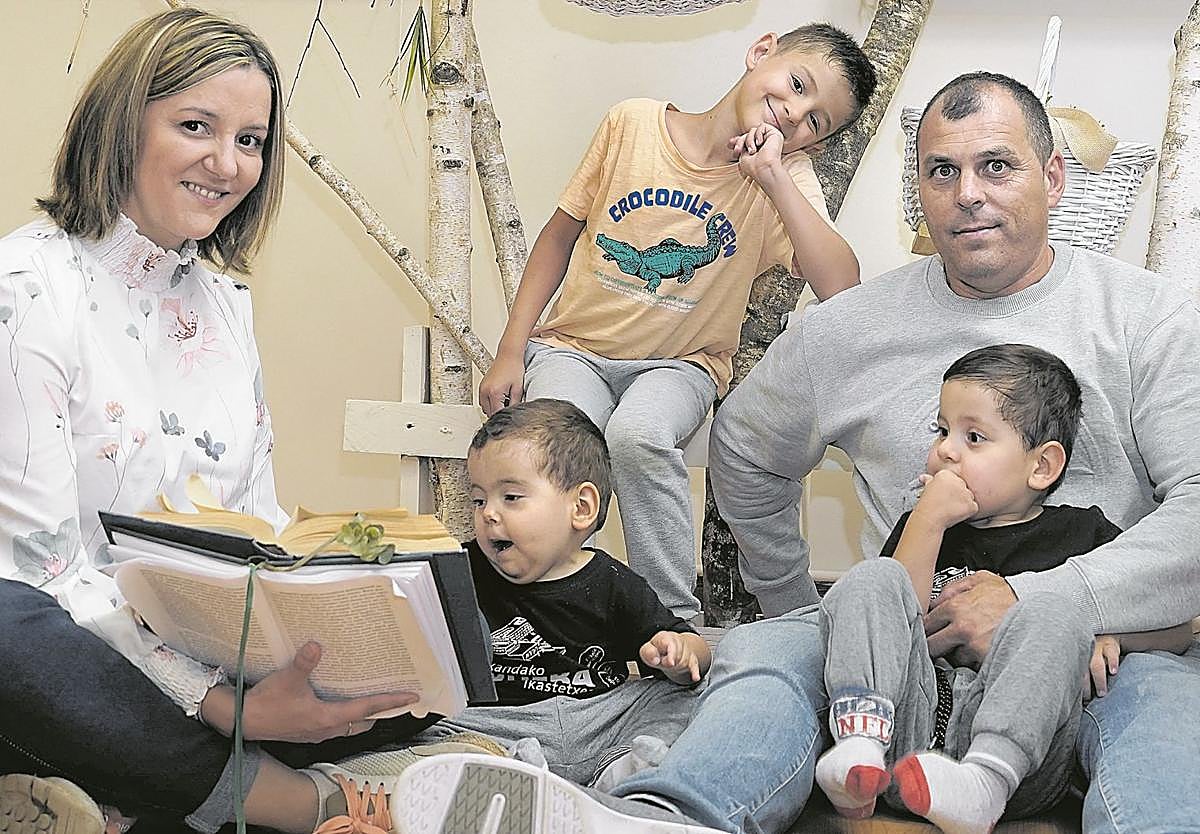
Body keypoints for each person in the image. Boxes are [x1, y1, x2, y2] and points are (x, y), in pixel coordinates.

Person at [384, 70, 1200, 834]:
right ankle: (669, 819)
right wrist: (787, 599)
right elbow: (743, 452)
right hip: (897, 662)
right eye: (942, 172)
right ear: (918, 190)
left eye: (997, 166)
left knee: (1165, 697)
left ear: (1053, 177)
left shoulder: (1147, 318)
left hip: (1099, 654)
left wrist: (1055, 604)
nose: (968, 195)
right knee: (774, 649)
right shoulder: (851, 328)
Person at [0, 10, 441, 834]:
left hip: (212, 659)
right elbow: (49, 569)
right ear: (121, 125)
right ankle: (289, 800)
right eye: (196, 126)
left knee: (429, 639)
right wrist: (215, 705)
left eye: (251, 139)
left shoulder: (226, 305)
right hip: (73, 650)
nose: (226, 163)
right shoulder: (24, 288)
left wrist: (317, 638)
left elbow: (256, 526)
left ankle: (121, 792)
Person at [476, 24, 877, 622]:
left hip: (681, 366)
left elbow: (841, 284)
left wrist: (773, 177)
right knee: (549, 449)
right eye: (797, 84)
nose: (795, 113)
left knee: (636, 435)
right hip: (571, 349)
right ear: (762, 50)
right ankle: (540, 613)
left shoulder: (782, 182)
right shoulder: (632, 124)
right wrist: (511, 350)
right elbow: (558, 237)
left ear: (813, 147)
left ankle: (668, 619)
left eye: (815, 122)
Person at [814, 344, 1193, 833]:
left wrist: (1109, 635)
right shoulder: (923, 525)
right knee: (871, 577)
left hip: (1019, 767)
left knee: (1056, 608)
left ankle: (981, 786)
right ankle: (857, 745)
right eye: (942, 431)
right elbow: (896, 617)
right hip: (902, 734)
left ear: (1042, 467)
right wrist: (927, 520)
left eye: (974, 437)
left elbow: (1179, 629)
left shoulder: (1082, 534)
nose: (947, 449)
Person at [420, 398, 711, 786]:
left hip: (599, 719)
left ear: (581, 507)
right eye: (478, 499)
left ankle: (622, 770)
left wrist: (677, 653)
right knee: (431, 723)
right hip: (499, 726)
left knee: (686, 697)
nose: (488, 513)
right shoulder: (460, 569)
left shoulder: (610, 580)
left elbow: (695, 648)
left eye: (510, 497)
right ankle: (511, 771)